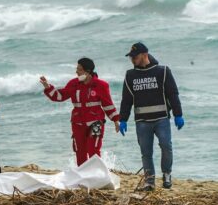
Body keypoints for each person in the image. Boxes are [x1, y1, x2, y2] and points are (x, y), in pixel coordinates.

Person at [119, 42, 184, 191]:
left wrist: (178, 114)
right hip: (142, 121)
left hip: (162, 118)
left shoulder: (163, 71)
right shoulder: (130, 75)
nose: (132, 59)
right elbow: (126, 99)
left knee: (166, 146)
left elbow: (172, 94)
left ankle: (167, 174)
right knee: (146, 152)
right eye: (131, 57)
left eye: (134, 57)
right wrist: (122, 119)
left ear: (144, 55)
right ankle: (149, 181)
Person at [40, 58, 120, 166]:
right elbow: (60, 96)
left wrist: (116, 120)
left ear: (87, 72)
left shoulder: (101, 85)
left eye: (79, 69)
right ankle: (83, 177)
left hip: (96, 123)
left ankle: (97, 176)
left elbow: (108, 104)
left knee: (93, 151)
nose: (76, 72)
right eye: (77, 69)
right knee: (80, 152)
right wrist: (48, 87)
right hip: (78, 123)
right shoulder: (73, 83)